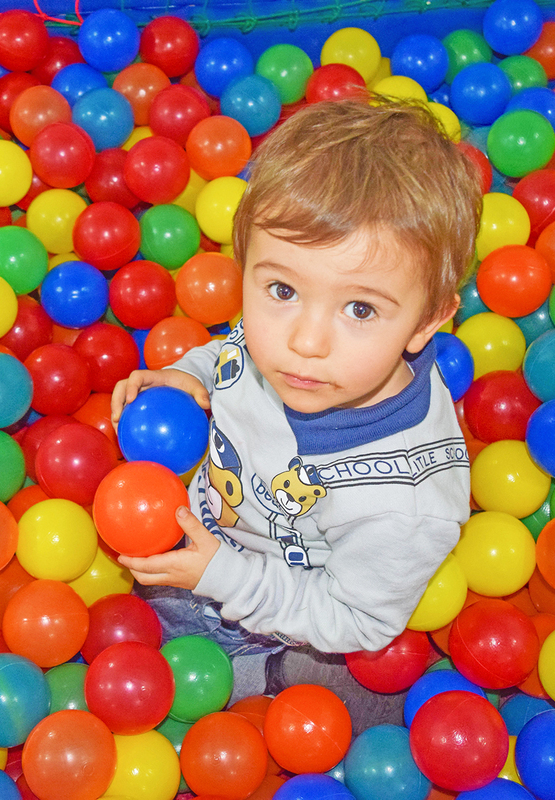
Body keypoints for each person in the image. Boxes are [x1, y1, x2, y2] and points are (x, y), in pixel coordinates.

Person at [110, 96, 482, 730]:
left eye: (360, 310)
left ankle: (270, 676)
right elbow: (231, 346)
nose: (305, 341)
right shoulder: (291, 353)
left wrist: (222, 577)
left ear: (427, 322)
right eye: (281, 290)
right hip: (189, 543)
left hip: (267, 613)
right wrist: (188, 376)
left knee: (363, 684)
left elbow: (357, 617)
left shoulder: (404, 499)